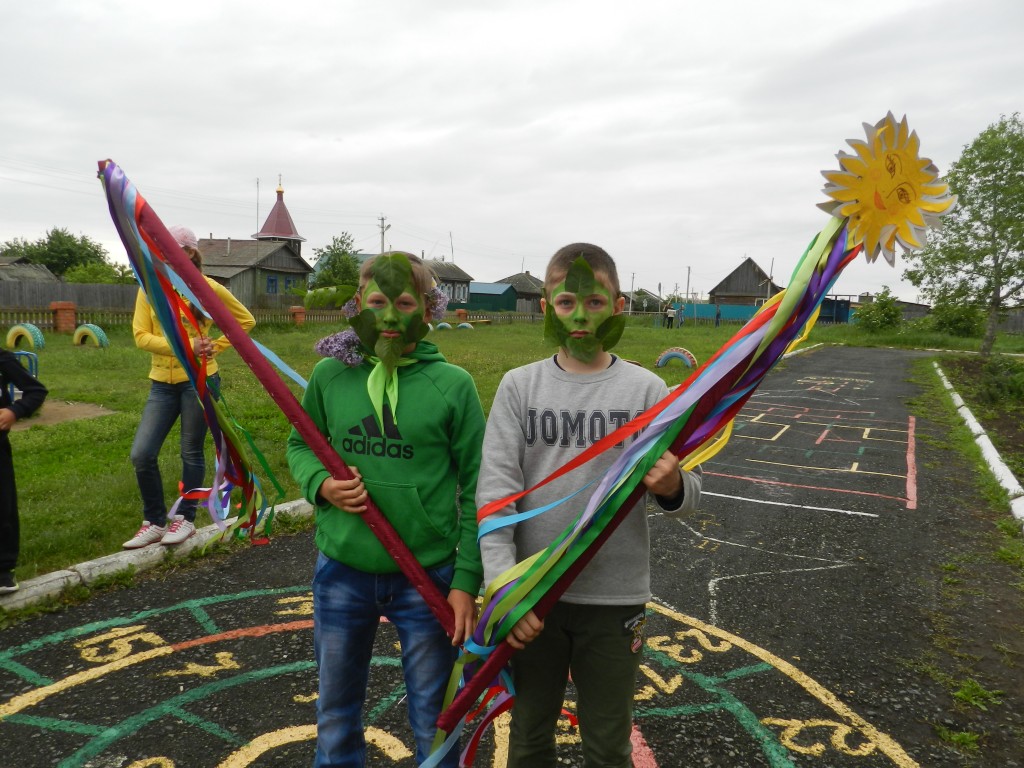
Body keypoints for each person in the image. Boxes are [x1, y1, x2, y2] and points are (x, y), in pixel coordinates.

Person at [478, 243, 702, 768]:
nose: (580, 316)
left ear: (618, 306)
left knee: (607, 741)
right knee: (529, 734)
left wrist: (671, 485)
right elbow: (495, 493)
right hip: (533, 596)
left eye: (595, 303)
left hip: (614, 600)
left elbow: (691, 492)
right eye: (565, 303)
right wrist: (505, 590)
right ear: (546, 308)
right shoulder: (519, 387)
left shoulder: (647, 390)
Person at [286, 251, 484, 768]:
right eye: (377, 303)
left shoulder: (453, 386)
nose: (391, 317)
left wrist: (466, 579)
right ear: (358, 305)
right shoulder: (330, 375)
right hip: (342, 569)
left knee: (434, 716)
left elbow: (478, 486)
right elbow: (301, 444)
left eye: (405, 304)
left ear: (429, 308)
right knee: (335, 710)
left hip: (427, 575)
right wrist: (322, 485)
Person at [123, 225, 256, 549]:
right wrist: (186, 346)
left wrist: (215, 347)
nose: (163, 256)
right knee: (142, 453)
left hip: (200, 380)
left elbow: (245, 320)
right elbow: (141, 336)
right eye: (159, 250)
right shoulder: (149, 289)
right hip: (161, 383)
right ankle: (154, 521)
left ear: (188, 253)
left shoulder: (207, 287)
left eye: (170, 250)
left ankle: (185, 519)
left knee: (190, 450)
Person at [0, 351, 48, 594]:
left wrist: (14, 411)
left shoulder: (3, 359)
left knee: (3, 506)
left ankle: (3, 569)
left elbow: (36, 390)